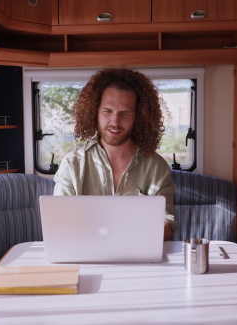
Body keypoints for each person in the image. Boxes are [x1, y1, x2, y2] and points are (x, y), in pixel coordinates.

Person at [53, 67, 178, 240]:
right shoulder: (72, 164)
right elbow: (60, 223)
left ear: (138, 117)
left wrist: (118, 233)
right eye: (107, 111)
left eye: (125, 113)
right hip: (85, 257)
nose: (115, 122)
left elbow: (168, 224)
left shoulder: (157, 166)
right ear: (94, 112)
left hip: (138, 258)